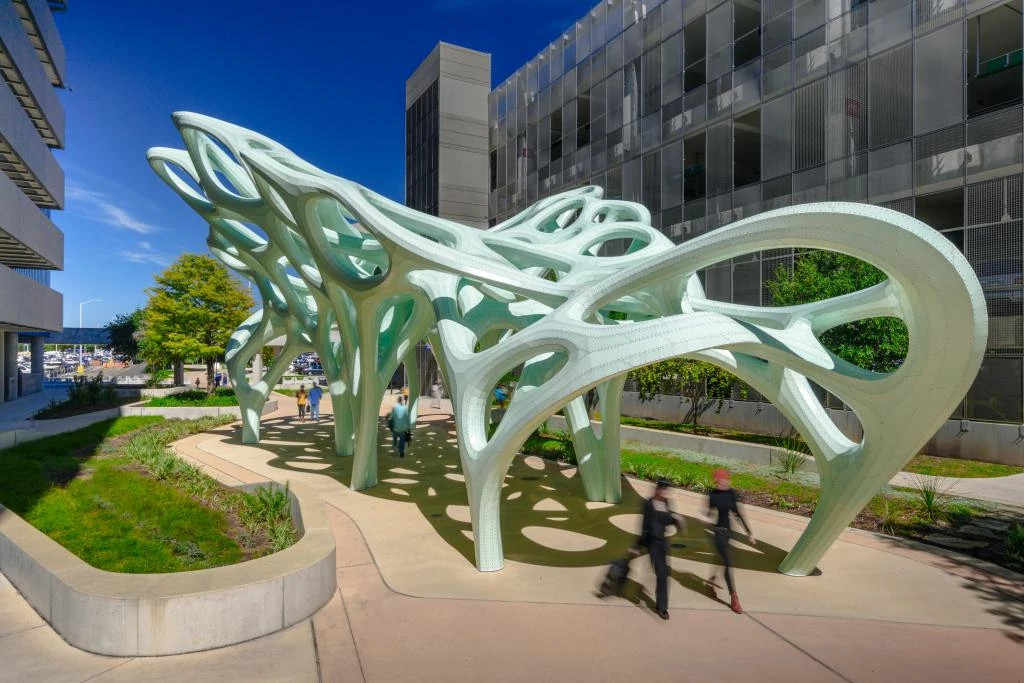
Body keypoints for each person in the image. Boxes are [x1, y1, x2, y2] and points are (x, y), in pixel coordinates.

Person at [706, 468, 756, 614]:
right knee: (728, 562)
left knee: (721, 559)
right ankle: (734, 597)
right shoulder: (713, 494)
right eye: (722, 479)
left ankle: (711, 581)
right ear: (717, 481)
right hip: (719, 533)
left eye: (727, 479)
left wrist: (749, 532)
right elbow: (709, 514)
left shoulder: (732, 494)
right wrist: (705, 518)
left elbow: (737, 514)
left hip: (729, 533)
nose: (725, 482)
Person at [639, 479, 686, 620]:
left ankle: (662, 605)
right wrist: (638, 545)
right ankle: (661, 607)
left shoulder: (666, 503)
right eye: (664, 490)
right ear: (658, 490)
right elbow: (644, 526)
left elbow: (667, 520)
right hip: (652, 543)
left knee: (664, 574)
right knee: (661, 573)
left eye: (667, 491)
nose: (666, 493)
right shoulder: (649, 504)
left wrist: (676, 519)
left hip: (663, 543)